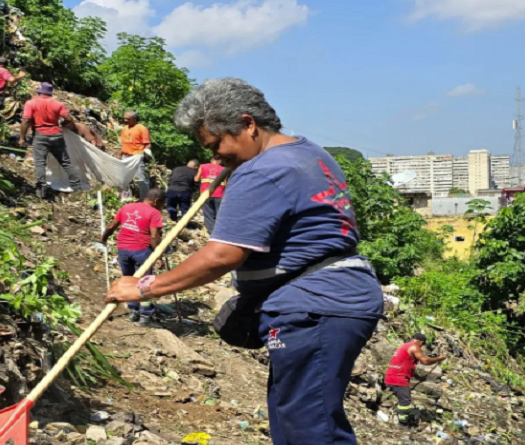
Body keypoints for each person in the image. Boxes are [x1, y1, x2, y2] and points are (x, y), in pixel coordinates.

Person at [104, 78, 383, 445]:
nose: (216, 157)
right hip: (335, 298)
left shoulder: (263, 170)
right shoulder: (310, 153)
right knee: (294, 418)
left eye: (217, 144)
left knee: (311, 430)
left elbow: (223, 255)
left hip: (315, 306)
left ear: (248, 124)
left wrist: (143, 287)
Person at [100, 189, 165, 326]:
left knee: (130, 281)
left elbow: (112, 226)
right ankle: (146, 316)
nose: (162, 207)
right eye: (162, 204)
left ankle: (134, 311)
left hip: (123, 250)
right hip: (142, 250)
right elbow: (154, 236)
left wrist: (103, 239)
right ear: (156, 201)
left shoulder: (127, 207)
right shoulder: (154, 213)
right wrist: (158, 255)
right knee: (145, 283)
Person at [19, 82, 82, 197]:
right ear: (50, 93)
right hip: (56, 135)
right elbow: (68, 118)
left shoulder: (31, 103)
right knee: (65, 162)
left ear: (39, 92)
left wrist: (22, 137)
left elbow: (26, 120)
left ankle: (41, 190)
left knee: (40, 163)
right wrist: (66, 124)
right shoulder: (58, 104)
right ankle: (77, 186)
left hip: (40, 135)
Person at [384, 333, 447, 427]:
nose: (421, 346)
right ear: (421, 342)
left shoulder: (403, 346)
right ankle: (402, 423)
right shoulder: (414, 346)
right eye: (422, 344)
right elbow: (425, 361)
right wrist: (438, 358)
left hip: (391, 376)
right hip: (398, 378)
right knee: (405, 401)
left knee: (404, 399)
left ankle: (400, 418)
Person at [120, 110, 151, 200]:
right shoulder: (125, 128)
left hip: (136, 157)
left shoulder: (142, 128)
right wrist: (119, 154)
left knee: (141, 179)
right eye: (124, 119)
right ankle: (125, 198)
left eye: (128, 119)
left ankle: (144, 199)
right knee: (124, 179)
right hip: (125, 156)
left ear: (134, 118)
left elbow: (148, 144)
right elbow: (124, 143)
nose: (125, 121)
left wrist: (142, 154)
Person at [194, 155, 225, 234]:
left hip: (206, 194)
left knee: (208, 214)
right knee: (219, 214)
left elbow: (196, 179)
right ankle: (221, 231)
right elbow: (225, 184)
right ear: (220, 161)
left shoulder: (203, 166)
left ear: (211, 160)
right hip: (219, 194)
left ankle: (213, 233)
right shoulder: (223, 169)